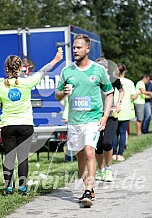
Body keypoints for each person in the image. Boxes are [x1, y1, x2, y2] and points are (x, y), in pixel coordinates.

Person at [0, 50, 63, 195]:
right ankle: (23, 188)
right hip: (25, 125)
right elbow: (43, 71)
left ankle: (8, 188)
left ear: (6, 68)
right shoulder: (27, 82)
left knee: (9, 157)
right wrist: (56, 60)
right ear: (19, 68)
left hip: (8, 125)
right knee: (23, 157)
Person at [55, 34, 114, 207]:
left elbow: (109, 92)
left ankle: (88, 189)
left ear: (87, 49)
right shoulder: (67, 71)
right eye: (74, 47)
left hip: (93, 119)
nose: (75, 50)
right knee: (80, 154)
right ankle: (88, 187)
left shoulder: (98, 70)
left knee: (89, 151)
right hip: (75, 121)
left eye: (79, 47)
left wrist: (105, 115)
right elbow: (57, 94)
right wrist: (63, 92)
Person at [95, 58, 125, 182]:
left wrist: (118, 102)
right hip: (96, 115)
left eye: (103, 67)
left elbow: (122, 91)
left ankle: (108, 170)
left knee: (107, 142)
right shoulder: (93, 80)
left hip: (111, 115)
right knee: (98, 145)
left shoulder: (112, 79)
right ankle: (100, 170)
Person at [112, 64, 139, 161]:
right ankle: (120, 154)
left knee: (114, 133)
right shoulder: (129, 82)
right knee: (123, 133)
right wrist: (138, 94)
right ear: (124, 72)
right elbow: (133, 96)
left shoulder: (113, 81)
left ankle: (113, 154)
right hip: (126, 109)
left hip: (115, 108)